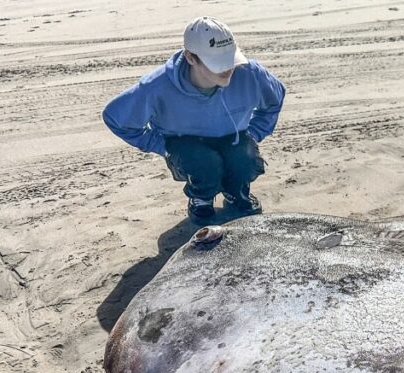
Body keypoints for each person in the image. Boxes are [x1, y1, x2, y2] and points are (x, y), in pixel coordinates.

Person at [103, 16, 286, 224]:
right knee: (205, 164)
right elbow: (116, 118)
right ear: (191, 58)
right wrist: (162, 146)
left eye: (230, 59)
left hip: (233, 138)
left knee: (245, 157)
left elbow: (275, 98)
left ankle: (236, 193)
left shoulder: (250, 74)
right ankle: (201, 199)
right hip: (185, 145)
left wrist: (254, 133)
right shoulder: (157, 86)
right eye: (217, 63)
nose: (228, 69)